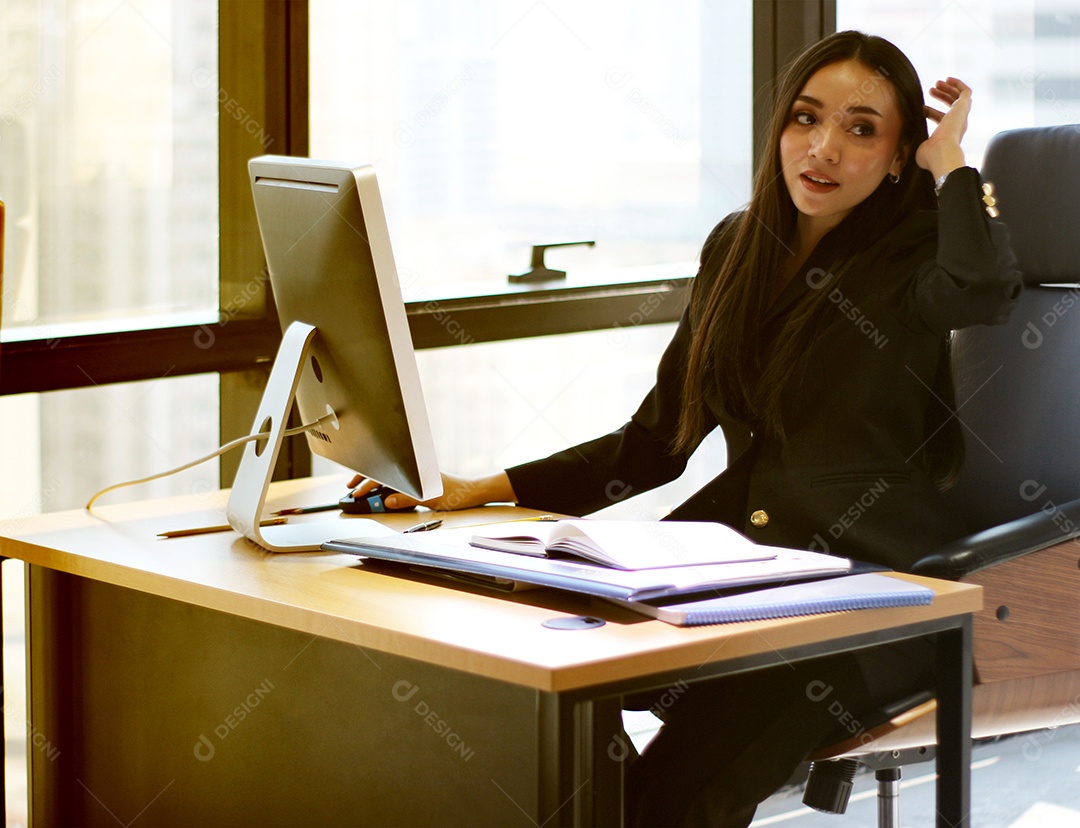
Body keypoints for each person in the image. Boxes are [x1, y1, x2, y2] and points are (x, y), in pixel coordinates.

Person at [351, 30, 1021, 826]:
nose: (824, 147)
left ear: (899, 156)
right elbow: (659, 442)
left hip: (861, 606)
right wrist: (478, 488)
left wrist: (954, 166)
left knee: (669, 802)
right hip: (735, 581)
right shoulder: (737, 246)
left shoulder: (915, 257)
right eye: (806, 118)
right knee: (532, 664)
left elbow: (980, 291)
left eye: (862, 129)